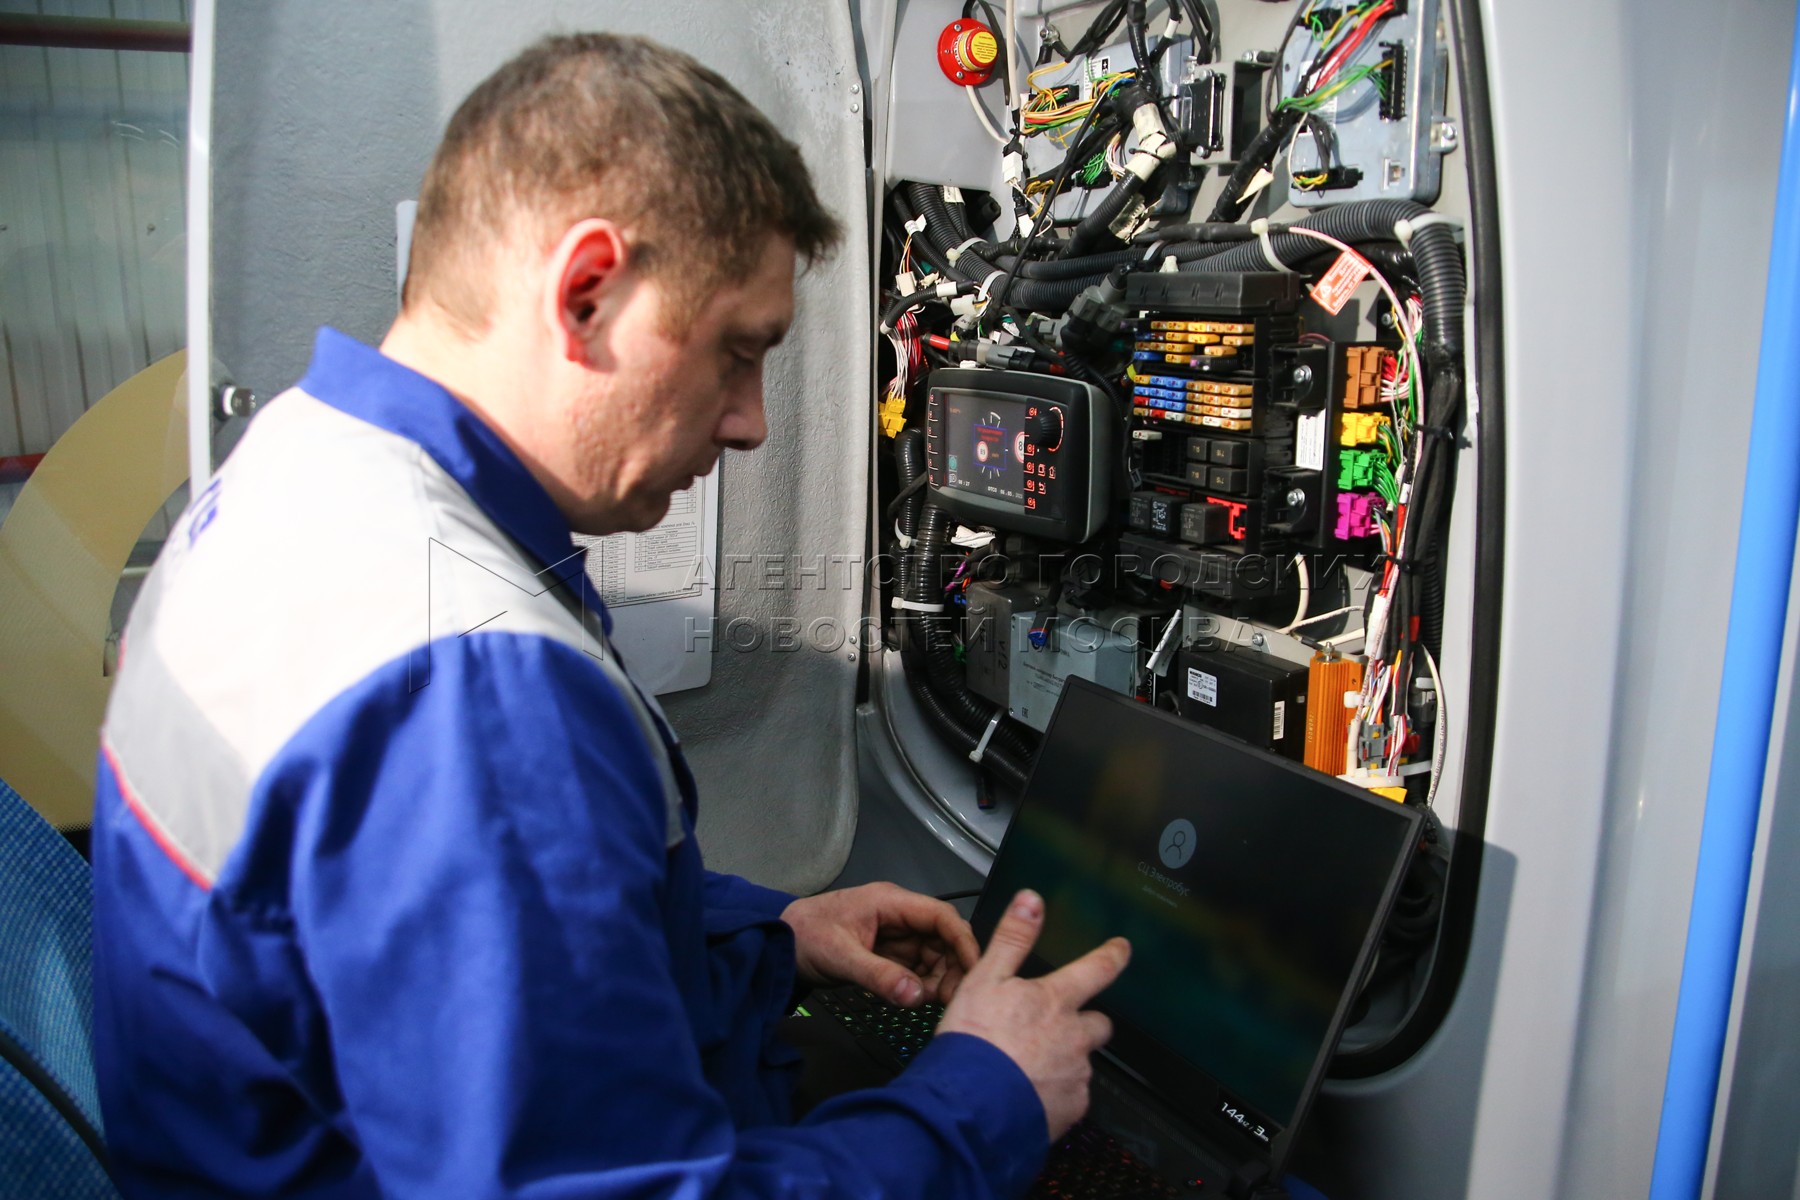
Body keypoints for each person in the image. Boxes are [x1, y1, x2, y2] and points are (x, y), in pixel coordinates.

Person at [91, 32, 1130, 1200]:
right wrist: (985, 1095)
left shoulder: (305, 465)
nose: (752, 424)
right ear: (586, 292)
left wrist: (766, 939)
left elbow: (433, 956)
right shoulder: (469, 690)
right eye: (736, 353)